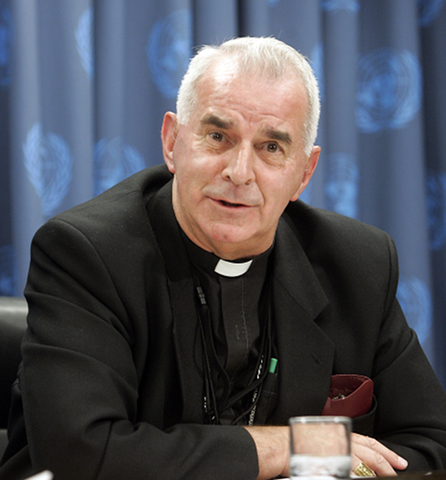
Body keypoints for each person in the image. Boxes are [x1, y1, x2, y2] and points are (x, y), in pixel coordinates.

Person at [1, 36, 446, 480]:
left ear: (303, 174)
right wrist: (299, 447)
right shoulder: (84, 255)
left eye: (271, 148)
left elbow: (430, 445)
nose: (239, 172)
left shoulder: (359, 265)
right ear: (172, 141)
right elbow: (80, 455)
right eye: (218, 136)